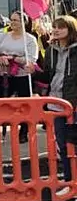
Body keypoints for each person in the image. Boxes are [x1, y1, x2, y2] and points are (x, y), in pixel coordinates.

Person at [36, 15, 77, 180]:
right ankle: (69, 180)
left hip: (73, 104)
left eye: (61, 27)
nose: (56, 30)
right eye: (55, 27)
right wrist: (33, 71)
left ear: (71, 29)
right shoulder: (51, 50)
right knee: (63, 144)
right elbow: (48, 77)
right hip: (56, 104)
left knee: (74, 144)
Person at [0, 11, 39, 143]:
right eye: (11, 20)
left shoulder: (30, 39)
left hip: (22, 75)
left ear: (24, 22)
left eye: (16, 20)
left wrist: (14, 59)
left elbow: (32, 58)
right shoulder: (3, 36)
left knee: (24, 104)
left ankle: (23, 131)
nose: (13, 23)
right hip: (4, 74)